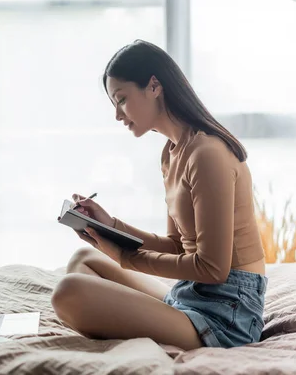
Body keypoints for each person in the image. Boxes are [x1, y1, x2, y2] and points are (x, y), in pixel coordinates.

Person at [51, 40, 267, 350]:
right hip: (193, 292)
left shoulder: (207, 154)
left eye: (122, 99)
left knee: (69, 292)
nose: (117, 114)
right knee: (84, 258)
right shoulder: (171, 153)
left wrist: (127, 258)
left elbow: (213, 268)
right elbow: (177, 245)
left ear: (154, 86)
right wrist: (111, 224)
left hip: (229, 311)